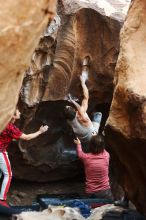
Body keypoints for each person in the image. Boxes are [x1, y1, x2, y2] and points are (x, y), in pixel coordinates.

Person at [0, 109, 48, 207]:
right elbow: (27, 137)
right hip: (0, 151)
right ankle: (1, 199)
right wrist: (40, 131)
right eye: (18, 112)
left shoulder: (2, 121)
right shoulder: (10, 127)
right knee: (8, 174)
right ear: (13, 116)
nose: (20, 113)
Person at [64, 57, 102, 143]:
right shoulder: (84, 118)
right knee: (98, 114)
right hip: (91, 134)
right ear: (75, 110)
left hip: (84, 139)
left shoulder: (70, 122)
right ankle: (95, 113)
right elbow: (86, 97)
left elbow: (77, 112)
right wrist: (82, 82)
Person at [74, 135, 113, 200]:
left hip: (90, 192)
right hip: (105, 191)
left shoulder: (86, 157)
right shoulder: (106, 156)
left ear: (90, 146)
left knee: (90, 207)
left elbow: (80, 154)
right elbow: (102, 148)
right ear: (103, 146)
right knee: (110, 204)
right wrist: (96, 138)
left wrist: (79, 144)